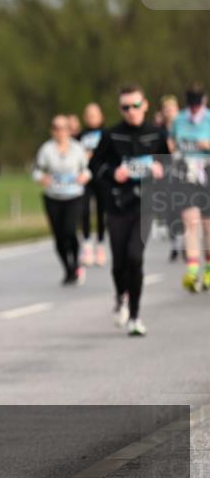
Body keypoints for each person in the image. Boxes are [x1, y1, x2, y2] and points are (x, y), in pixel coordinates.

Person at [89, 84, 169, 336]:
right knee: (119, 263)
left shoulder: (156, 134)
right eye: (126, 107)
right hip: (117, 205)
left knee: (136, 258)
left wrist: (160, 170)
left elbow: (168, 166)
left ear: (144, 105)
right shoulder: (111, 135)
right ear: (120, 109)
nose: (131, 111)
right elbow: (94, 166)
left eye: (135, 105)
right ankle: (120, 296)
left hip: (144, 205)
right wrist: (114, 173)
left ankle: (135, 316)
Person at [33, 115, 92, 285]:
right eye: (56, 128)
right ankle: (68, 269)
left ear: (69, 130)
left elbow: (87, 171)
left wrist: (83, 177)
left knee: (69, 230)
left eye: (63, 127)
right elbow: (36, 171)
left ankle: (75, 261)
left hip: (74, 195)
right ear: (52, 131)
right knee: (58, 236)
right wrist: (42, 178)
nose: (60, 131)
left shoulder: (77, 148)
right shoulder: (46, 149)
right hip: (53, 196)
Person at [169, 83, 210, 292]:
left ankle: (209, 268)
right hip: (186, 175)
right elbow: (171, 140)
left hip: (207, 173)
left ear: (203, 101)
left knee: (207, 225)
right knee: (190, 221)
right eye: (191, 104)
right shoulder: (179, 119)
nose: (194, 109)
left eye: (197, 104)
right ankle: (193, 271)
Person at [77, 103, 107, 267]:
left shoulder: (106, 134)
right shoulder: (80, 136)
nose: (91, 118)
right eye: (88, 115)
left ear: (101, 116)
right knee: (85, 210)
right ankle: (87, 244)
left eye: (94, 115)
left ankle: (100, 245)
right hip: (85, 178)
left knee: (101, 212)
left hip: (101, 178)